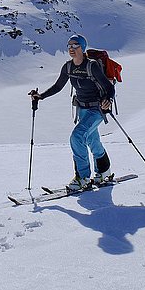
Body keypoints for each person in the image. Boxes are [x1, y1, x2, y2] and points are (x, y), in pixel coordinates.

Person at [30, 34, 115, 191]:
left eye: (75, 45)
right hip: (82, 108)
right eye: (69, 45)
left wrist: (108, 100)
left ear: (82, 48)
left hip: (97, 109)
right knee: (91, 139)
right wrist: (40, 96)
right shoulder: (68, 67)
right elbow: (58, 86)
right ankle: (104, 172)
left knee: (77, 137)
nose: (71, 48)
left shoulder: (92, 65)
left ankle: (82, 178)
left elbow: (109, 87)